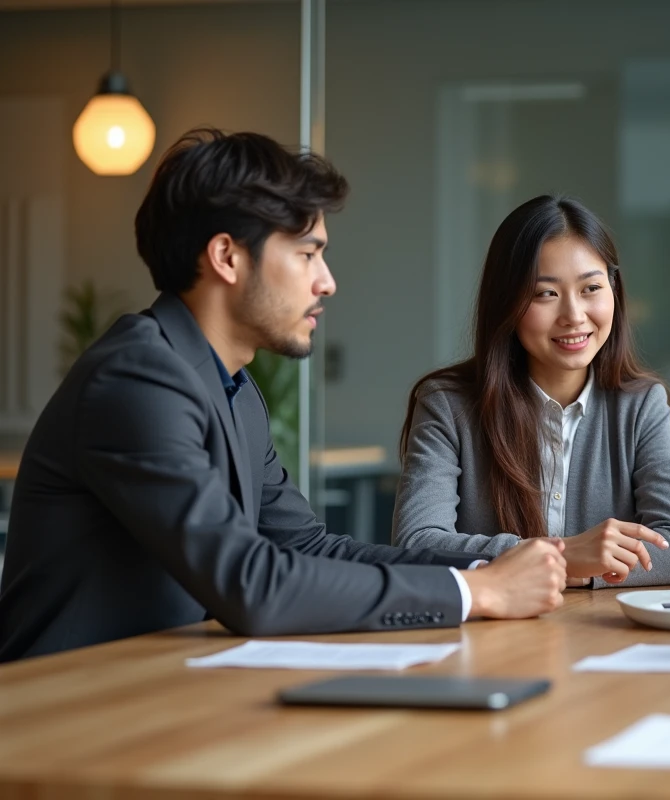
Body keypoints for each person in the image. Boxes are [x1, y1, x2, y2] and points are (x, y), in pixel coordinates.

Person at [0, 129, 567, 664]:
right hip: (65, 711)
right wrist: (476, 592)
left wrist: (494, 564)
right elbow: (252, 584)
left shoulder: (232, 389)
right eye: (306, 253)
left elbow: (309, 549)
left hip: (163, 693)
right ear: (226, 257)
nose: (327, 281)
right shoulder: (136, 378)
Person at [392, 195, 670, 588]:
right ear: (508, 303)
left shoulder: (641, 405)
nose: (574, 315)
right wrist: (564, 556)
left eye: (590, 288)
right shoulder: (447, 405)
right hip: (492, 635)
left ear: (613, 290)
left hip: (601, 635)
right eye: (545, 294)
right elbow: (416, 543)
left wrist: (574, 572)